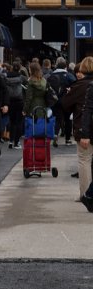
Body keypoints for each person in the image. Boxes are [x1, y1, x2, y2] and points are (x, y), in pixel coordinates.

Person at [65, 57, 93, 200]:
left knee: (84, 160)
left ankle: (85, 195)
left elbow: (65, 105)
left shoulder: (79, 86)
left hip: (83, 127)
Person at [47, 57, 76, 146]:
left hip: (55, 101)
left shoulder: (51, 76)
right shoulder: (69, 75)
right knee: (68, 120)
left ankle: (55, 134)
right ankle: (67, 139)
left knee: (57, 119)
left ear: (56, 65)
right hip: (67, 100)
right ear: (65, 66)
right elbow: (75, 85)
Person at [4, 61, 28, 149]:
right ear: (20, 67)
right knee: (19, 122)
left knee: (12, 121)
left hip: (10, 102)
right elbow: (27, 88)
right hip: (20, 102)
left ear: (11, 67)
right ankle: (17, 142)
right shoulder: (22, 78)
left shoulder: (6, 77)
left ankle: (10, 140)